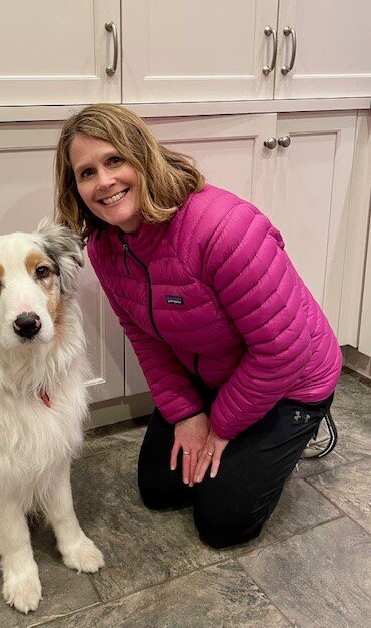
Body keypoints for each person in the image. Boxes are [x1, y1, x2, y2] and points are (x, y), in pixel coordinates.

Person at [54, 103, 341, 549]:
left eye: (114, 160)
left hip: (293, 380)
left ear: (142, 156)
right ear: (75, 188)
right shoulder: (107, 248)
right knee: (159, 489)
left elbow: (282, 350)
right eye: (86, 172)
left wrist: (221, 425)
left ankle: (299, 429)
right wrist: (187, 414)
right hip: (215, 370)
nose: (104, 181)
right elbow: (146, 341)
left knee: (223, 523)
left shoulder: (223, 228)